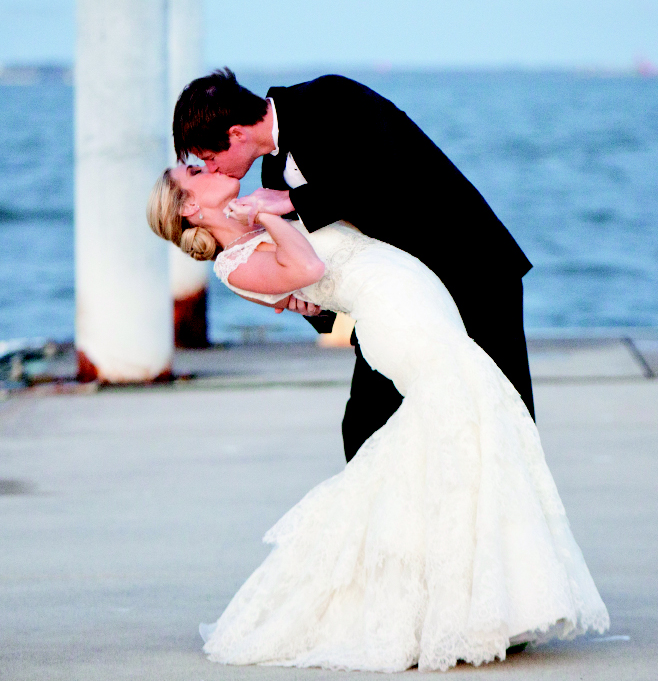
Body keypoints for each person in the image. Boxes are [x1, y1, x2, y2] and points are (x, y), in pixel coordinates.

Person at [147, 166, 609, 672]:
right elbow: (306, 267)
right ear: (190, 206)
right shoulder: (233, 264)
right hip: (395, 321)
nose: (210, 167)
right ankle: (457, 606)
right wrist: (269, 213)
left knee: (458, 443)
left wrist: (272, 210)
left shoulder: (259, 216)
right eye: (195, 171)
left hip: (420, 300)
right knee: (464, 429)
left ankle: (482, 599)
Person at [172, 69, 535, 462]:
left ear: (236, 134)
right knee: (365, 428)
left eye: (209, 158)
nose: (212, 169)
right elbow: (320, 254)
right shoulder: (272, 174)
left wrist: (292, 202)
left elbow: (385, 172)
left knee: (504, 415)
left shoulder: (330, 98)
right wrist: (311, 306)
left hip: (470, 269)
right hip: (394, 302)